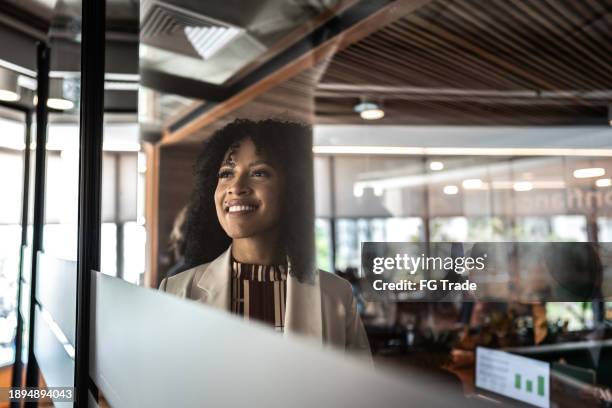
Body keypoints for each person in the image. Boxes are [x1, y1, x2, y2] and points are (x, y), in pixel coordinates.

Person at [159, 118, 370, 359]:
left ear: (292, 189)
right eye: (226, 173)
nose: (236, 187)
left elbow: (356, 395)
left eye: (259, 173)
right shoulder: (175, 293)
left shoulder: (336, 295)